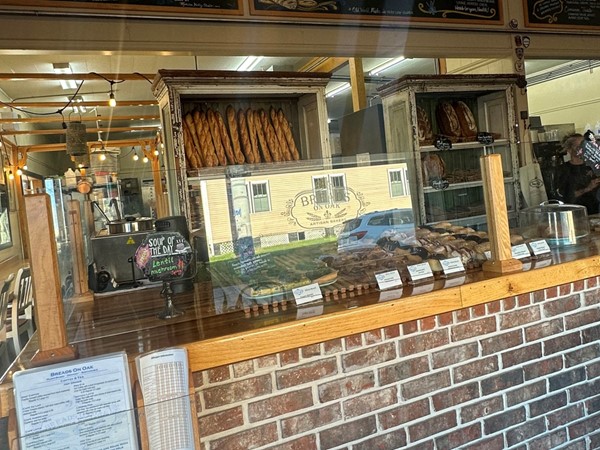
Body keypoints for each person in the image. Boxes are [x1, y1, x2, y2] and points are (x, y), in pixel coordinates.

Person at [556, 133, 600, 214]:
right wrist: (588, 188)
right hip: (575, 214)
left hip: (596, 212)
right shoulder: (563, 170)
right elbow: (566, 197)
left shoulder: (593, 165)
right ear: (569, 150)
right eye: (579, 146)